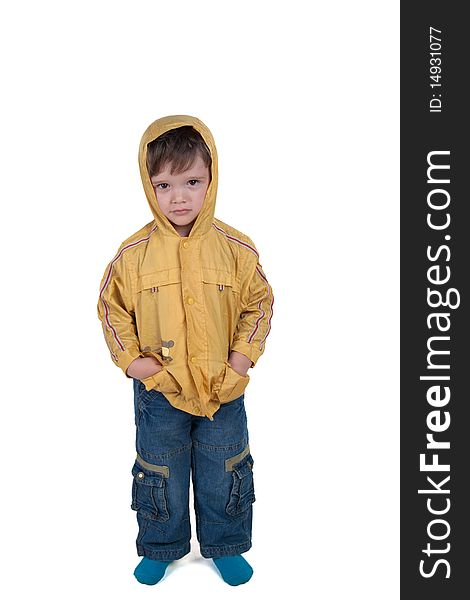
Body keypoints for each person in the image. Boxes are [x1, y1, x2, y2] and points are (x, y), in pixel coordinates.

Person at [97, 115, 274, 586]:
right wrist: (134, 362)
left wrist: (241, 359)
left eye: (192, 181)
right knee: (160, 471)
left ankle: (226, 544)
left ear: (211, 180)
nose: (178, 197)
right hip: (161, 389)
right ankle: (161, 545)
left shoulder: (236, 249)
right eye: (164, 184)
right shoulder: (133, 255)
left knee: (225, 468)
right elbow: (111, 310)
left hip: (223, 386)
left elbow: (259, 303)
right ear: (147, 185)